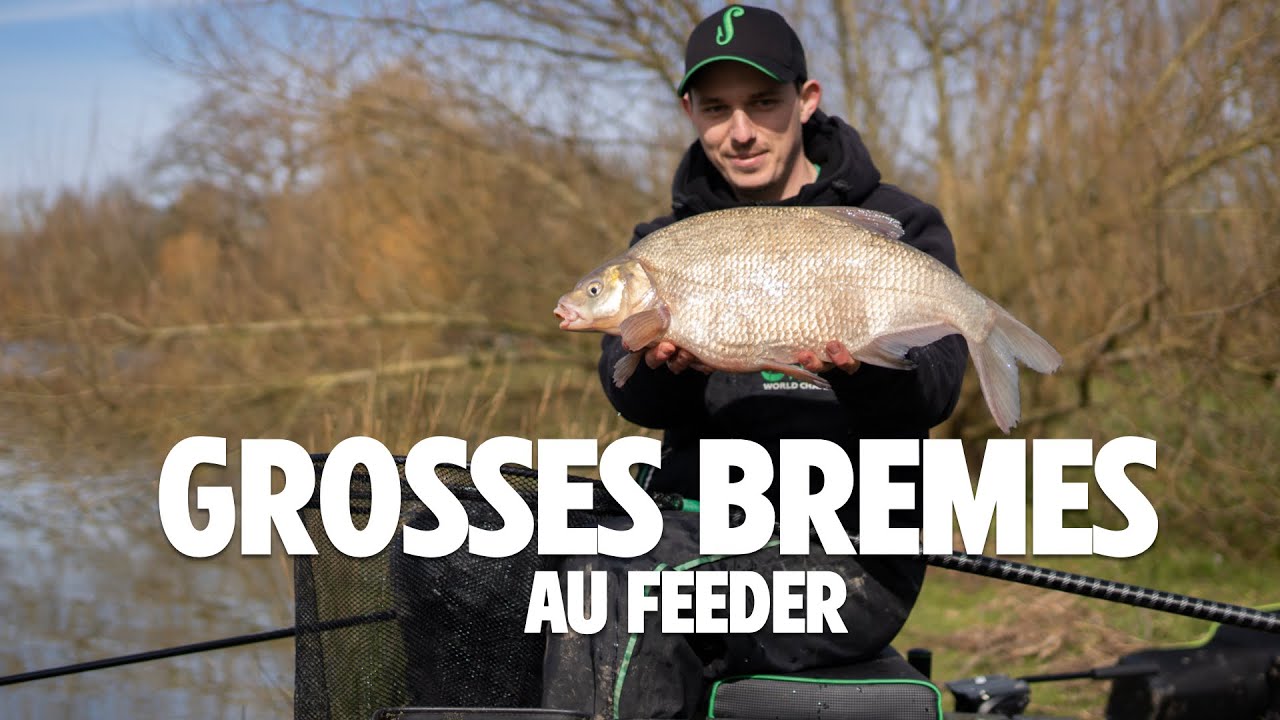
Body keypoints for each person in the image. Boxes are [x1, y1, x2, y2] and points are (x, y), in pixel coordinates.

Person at [541, 6, 969, 718]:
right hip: (697, 523)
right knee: (578, 579)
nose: (740, 132)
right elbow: (631, 396)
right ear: (691, 111)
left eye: (763, 103)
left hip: (850, 541)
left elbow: (937, 391)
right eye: (717, 109)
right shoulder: (667, 243)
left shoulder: (901, 224)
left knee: (635, 588)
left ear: (807, 100)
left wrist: (858, 372)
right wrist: (662, 370)